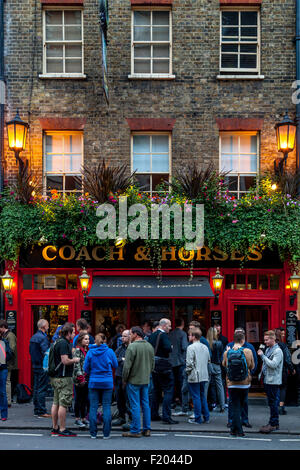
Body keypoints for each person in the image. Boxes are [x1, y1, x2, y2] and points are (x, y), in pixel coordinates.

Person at [84, 332, 118, 439]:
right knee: (106, 406)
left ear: (95, 341)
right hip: (107, 382)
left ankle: (93, 433)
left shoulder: (90, 352)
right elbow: (115, 365)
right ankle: (106, 434)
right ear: (105, 341)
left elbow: (85, 368)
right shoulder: (109, 351)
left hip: (94, 382)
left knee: (93, 407)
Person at [122, 326, 155, 437]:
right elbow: (152, 364)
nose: (130, 336)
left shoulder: (131, 347)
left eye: (131, 334)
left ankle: (135, 430)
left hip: (133, 380)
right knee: (145, 404)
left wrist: (124, 379)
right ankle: (147, 428)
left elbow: (127, 367)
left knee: (135, 405)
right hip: (145, 379)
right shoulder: (149, 346)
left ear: (136, 334)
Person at [50, 322, 80, 437]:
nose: (74, 334)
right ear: (68, 333)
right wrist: (75, 360)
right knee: (63, 404)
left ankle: (55, 427)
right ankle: (62, 429)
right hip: (64, 377)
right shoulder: (63, 343)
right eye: (73, 332)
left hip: (55, 377)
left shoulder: (56, 341)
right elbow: (65, 361)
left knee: (56, 403)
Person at [222, 330, 254, 437]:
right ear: (243, 340)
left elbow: (224, 365)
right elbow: (251, 366)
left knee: (234, 405)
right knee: (241, 405)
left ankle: (233, 429)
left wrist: (227, 352)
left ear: (233, 340)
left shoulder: (228, 352)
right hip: (244, 383)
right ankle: (239, 430)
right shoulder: (248, 351)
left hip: (232, 383)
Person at [148, 318, 178, 424]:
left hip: (154, 366)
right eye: (169, 326)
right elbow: (167, 348)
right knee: (168, 390)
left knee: (156, 390)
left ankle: (154, 414)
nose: (170, 328)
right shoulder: (163, 335)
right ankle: (166, 416)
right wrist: (171, 346)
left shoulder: (152, 335)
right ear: (164, 325)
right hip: (164, 367)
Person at [258, 330, 283, 434]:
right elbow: (265, 364)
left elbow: (273, 364)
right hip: (268, 380)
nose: (265, 342)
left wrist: (263, 356)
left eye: (267, 340)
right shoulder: (269, 349)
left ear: (273, 339)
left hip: (273, 381)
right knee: (271, 403)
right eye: (264, 340)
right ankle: (273, 423)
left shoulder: (278, 351)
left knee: (273, 403)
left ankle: (273, 424)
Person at [186, 330, 211, 424]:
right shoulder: (205, 347)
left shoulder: (190, 347)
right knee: (202, 396)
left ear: (193, 337)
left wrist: (187, 372)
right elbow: (209, 360)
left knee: (196, 396)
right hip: (204, 375)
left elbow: (189, 363)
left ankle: (197, 418)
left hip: (194, 375)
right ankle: (206, 417)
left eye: (189, 335)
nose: (188, 337)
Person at [29, 319, 51, 418]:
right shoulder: (43, 338)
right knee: (42, 388)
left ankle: (36, 409)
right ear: (43, 326)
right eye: (47, 325)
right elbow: (46, 353)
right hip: (42, 366)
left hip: (35, 365)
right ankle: (42, 411)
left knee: (36, 388)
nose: (48, 327)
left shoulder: (33, 337)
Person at [112, 329, 132, 426]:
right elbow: (114, 358)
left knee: (129, 399)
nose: (122, 338)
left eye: (124, 336)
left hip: (128, 378)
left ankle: (131, 419)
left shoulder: (132, 347)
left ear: (130, 337)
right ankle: (121, 417)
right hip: (119, 376)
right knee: (119, 398)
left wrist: (123, 360)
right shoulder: (120, 348)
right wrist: (121, 359)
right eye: (122, 336)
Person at [274, 328, 296, 415]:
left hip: (273, 372)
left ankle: (275, 407)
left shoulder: (269, 346)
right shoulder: (283, 346)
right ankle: (281, 407)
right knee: (282, 389)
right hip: (282, 371)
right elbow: (287, 359)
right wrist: (292, 369)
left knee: (275, 390)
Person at [169, 318, 188, 409]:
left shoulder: (170, 333)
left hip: (171, 361)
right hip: (180, 361)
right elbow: (184, 347)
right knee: (181, 382)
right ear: (183, 323)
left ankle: (172, 401)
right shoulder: (183, 334)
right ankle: (181, 400)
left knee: (172, 382)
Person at [73, 332, 90, 428]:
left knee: (84, 399)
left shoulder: (87, 350)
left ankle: (83, 418)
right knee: (78, 399)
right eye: (85, 339)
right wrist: (81, 378)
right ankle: (77, 419)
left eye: (88, 339)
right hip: (80, 378)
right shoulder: (78, 351)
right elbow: (77, 366)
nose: (87, 341)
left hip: (86, 377)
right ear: (80, 340)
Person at [206, 327, 225, 412]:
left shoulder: (206, 343)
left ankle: (204, 405)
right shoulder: (219, 343)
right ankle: (222, 406)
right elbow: (221, 354)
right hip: (217, 365)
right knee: (219, 386)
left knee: (206, 386)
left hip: (208, 365)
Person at [0, 320, 17, 408]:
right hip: (6, 362)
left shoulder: (10, 336)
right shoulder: (6, 335)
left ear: (3, 327)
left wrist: (4, 358)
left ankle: (8, 401)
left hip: (8, 363)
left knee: (7, 381)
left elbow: (12, 349)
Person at [0, 334, 12, 421]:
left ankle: (4, 415)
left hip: (2, 369)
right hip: (2, 369)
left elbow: (9, 354)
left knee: (2, 392)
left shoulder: (4, 342)